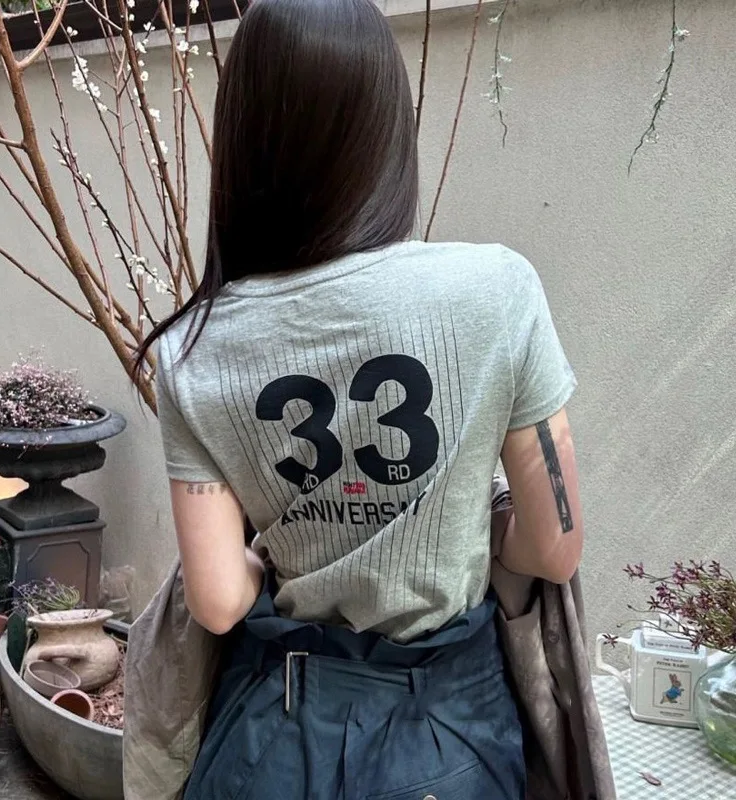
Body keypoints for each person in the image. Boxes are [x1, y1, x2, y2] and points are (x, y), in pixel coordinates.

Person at [135, 1, 584, 798]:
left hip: (272, 739)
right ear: (387, 130)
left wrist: (272, 547)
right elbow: (556, 547)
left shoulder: (192, 349)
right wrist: (483, 526)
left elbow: (218, 601)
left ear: (243, 138)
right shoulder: (498, 290)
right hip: (448, 738)